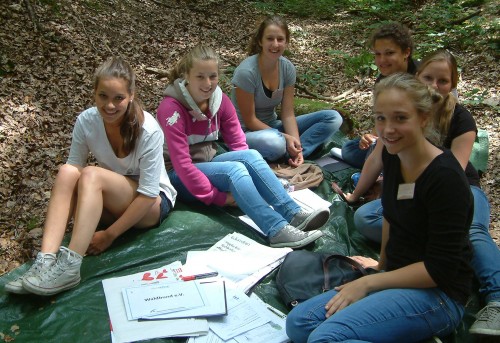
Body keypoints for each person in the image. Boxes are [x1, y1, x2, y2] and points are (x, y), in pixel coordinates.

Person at [286, 73, 474, 342]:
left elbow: (439, 270)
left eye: (400, 118)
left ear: (423, 118)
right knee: (299, 323)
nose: (387, 129)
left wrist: (368, 282)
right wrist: (382, 264)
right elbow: (391, 213)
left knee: (326, 338)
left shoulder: (445, 178)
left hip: (440, 294)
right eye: (380, 118)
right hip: (397, 276)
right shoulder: (393, 154)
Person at [347, 50, 500, 336]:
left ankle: (497, 296)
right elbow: (384, 156)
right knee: (367, 217)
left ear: (453, 83)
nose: (434, 85)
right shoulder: (399, 114)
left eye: (443, 80)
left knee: (473, 232)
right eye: (428, 77)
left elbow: (451, 174)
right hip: (416, 189)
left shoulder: (461, 119)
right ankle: (428, 252)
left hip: (462, 189)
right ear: (417, 78)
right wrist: (357, 195)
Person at [4, 57, 177, 296]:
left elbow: (148, 194)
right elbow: (73, 168)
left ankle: (71, 267)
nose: (110, 105)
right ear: (94, 93)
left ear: (131, 96)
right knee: (68, 171)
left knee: (91, 174)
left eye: (119, 98)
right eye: (103, 96)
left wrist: (109, 235)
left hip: (152, 204)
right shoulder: (87, 121)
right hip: (115, 198)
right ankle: (45, 260)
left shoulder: (148, 130)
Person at [156, 45, 328, 249]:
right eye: (200, 77)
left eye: (212, 76)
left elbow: (239, 145)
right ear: (187, 76)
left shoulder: (219, 101)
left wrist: (252, 182)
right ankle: (276, 230)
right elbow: (183, 166)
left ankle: (293, 213)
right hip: (177, 175)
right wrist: (220, 198)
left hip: (208, 164)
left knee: (251, 156)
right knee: (234, 170)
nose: (207, 83)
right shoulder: (171, 109)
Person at [230, 16, 342, 167]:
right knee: (276, 143)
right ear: (260, 41)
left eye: (280, 39)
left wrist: (295, 143)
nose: (275, 44)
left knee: (333, 118)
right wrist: (284, 137)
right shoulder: (247, 72)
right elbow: (250, 120)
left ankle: (296, 154)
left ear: (286, 42)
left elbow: (288, 114)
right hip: (246, 132)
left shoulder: (287, 68)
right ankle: (285, 151)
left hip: (273, 125)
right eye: (270, 38)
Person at [341, 22, 418, 169]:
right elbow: (381, 120)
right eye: (378, 54)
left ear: (406, 53)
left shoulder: (422, 76)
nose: (382, 60)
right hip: (388, 139)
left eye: (389, 53)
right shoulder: (382, 80)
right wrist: (371, 137)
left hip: (414, 143)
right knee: (349, 149)